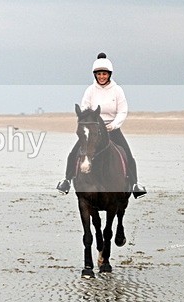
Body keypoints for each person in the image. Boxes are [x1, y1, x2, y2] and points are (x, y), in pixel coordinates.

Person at [56, 53, 146, 198]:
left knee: (128, 155)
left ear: (109, 74)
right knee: (73, 154)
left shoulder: (117, 90)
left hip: (112, 129)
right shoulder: (90, 90)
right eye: (99, 74)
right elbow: (85, 110)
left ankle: (135, 184)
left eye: (104, 74)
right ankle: (66, 180)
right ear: (95, 75)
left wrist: (114, 125)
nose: (102, 77)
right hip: (92, 130)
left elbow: (122, 111)